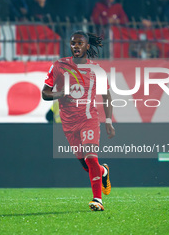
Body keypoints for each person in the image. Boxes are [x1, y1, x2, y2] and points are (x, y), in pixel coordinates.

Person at [42, 30, 115, 211]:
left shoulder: (97, 70)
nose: (76, 46)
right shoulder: (58, 66)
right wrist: (60, 94)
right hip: (68, 123)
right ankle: (103, 171)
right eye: (73, 43)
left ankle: (97, 200)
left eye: (80, 43)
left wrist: (108, 121)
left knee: (91, 158)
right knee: (86, 165)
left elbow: (107, 96)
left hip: (89, 119)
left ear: (87, 46)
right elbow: (45, 93)